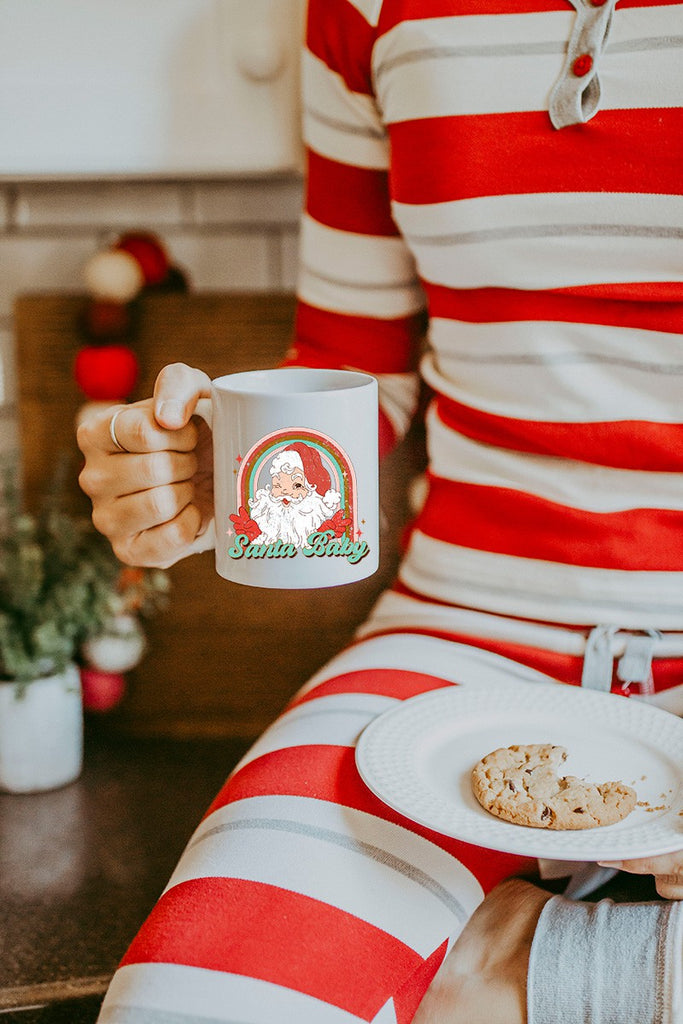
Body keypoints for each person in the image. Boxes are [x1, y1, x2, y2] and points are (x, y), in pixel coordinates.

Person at [77, 0, 683, 1020]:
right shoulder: (359, 9)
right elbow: (354, 363)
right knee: (183, 1002)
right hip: (460, 632)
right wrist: (225, 475)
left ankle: (511, 960)